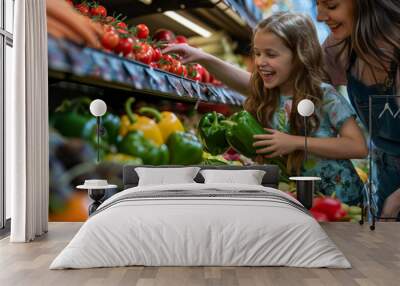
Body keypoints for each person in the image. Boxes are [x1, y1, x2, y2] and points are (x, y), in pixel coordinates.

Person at [164, 12, 368, 205]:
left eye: (270, 54)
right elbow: (239, 79)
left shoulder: (324, 96)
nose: (260, 62)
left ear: (299, 56)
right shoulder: (270, 94)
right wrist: (202, 57)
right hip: (302, 197)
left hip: (341, 198)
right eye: (257, 53)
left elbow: (358, 147)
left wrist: (295, 142)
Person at [316, 0, 400, 218]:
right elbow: (297, 86)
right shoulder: (340, 47)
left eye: (331, 6)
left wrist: (397, 199)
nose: (320, 16)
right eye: (318, 4)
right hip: (387, 172)